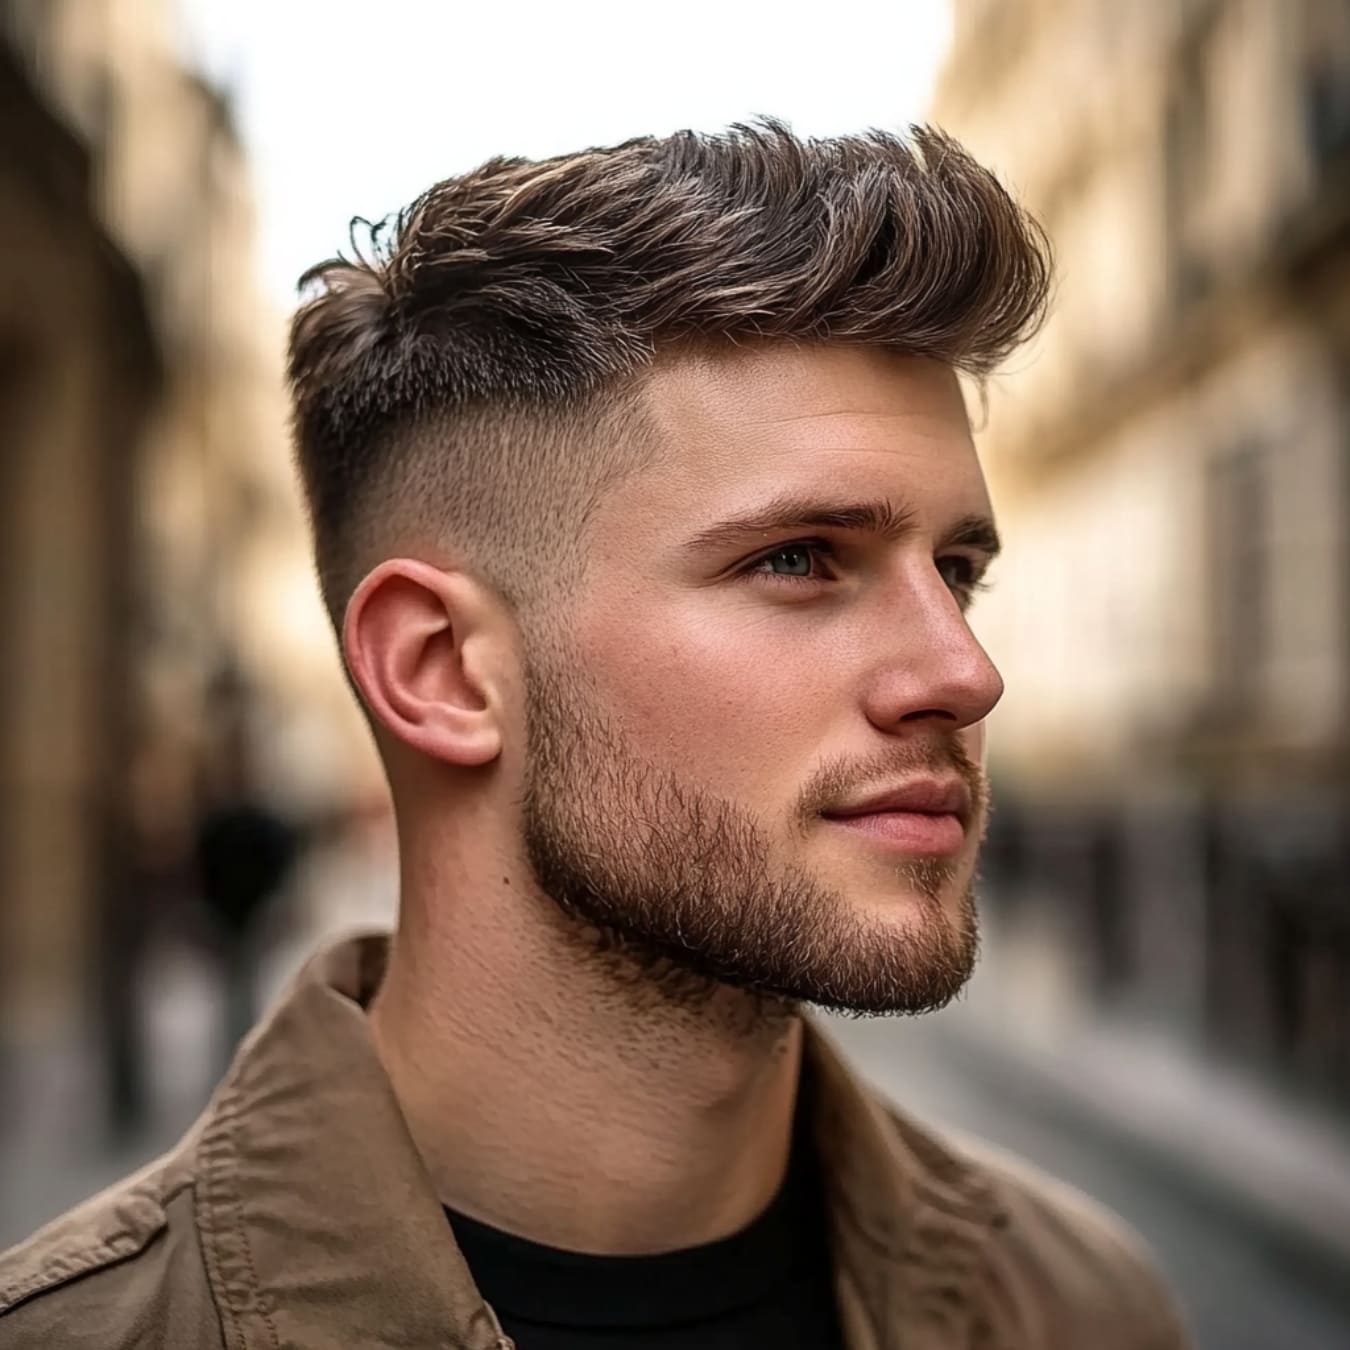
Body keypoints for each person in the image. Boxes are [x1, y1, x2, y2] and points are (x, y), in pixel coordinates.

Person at [0, 122, 1191, 1349]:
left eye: (958, 569)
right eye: (798, 559)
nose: (965, 673)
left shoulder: (1082, 1307)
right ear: (443, 671)